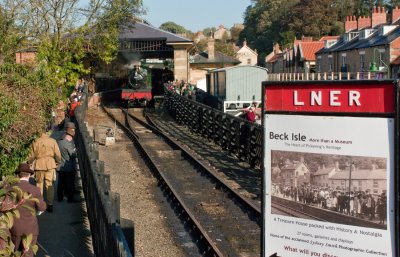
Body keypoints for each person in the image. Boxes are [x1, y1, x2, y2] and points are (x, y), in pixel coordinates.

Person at [11, 163, 47, 257]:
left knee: (15, 252)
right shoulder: (35, 190)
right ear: (29, 175)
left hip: (14, 227)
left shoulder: (9, 188)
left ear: (18, 175)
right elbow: (42, 208)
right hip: (30, 228)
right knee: (29, 253)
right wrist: (36, 213)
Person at [28, 127, 61, 213]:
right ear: (46, 132)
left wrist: (29, 162)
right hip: (50, 164)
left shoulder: (36, 141)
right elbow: (57, 154)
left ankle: (40, 205)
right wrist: (57, 162)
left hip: (39, 164)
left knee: (39, 185)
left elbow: (31, 155)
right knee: (49, 185)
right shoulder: (52, 141)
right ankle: (50, 205)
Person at [57, 122, 78, 203]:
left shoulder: (60, 141)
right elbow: (72, 155)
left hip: (60, 165)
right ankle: (70, 199)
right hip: (68, 167)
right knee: (70, 183)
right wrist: (75, 151)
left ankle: (59, 197)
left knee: (61, 183)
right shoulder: (68, 144)